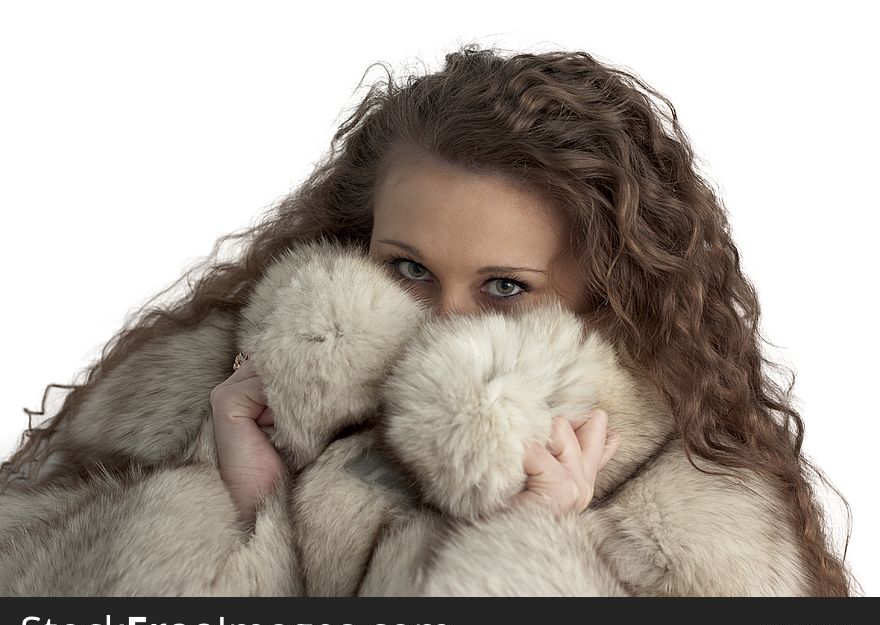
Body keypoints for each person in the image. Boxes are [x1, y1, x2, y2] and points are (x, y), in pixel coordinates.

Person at [1, 45, 856, 596]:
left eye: (504, 288)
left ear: (610, 295)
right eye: (407, 269)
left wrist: (538, 548)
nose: (440, 324)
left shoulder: (696, 499)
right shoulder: (224, 383)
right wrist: (233, 501)